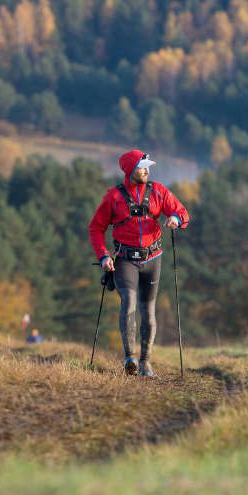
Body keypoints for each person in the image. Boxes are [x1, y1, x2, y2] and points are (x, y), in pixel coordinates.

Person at [88, 149, 189, 377]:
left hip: (153, 258)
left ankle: (145, 362)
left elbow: (183, 213)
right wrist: (104, 255)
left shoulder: (159, 191)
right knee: (129, 302)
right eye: (142, 167)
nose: (146, 171)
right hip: (125, 260)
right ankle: (129, 358)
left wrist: (175, 218)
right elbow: (96, 228)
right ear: (130, 170)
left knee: (149, 311)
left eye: (147, 167)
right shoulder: (113, 197)